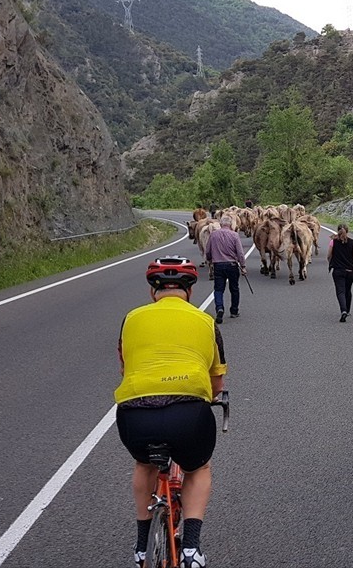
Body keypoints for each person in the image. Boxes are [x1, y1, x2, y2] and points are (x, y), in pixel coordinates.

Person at [116, 256, 227, 568]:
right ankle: (191, 549)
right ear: (189, 292)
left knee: (143, 464)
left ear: (154, 292)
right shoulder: (205, 322)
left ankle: (140, 547)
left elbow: (126, 367)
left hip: (135, 414)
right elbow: (216, 381)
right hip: (188, 414)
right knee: (198, 468)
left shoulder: (131, 319)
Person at [205, 215, 247, 323]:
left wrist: (209, 259)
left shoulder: (213, 235)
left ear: (220, 224)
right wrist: (243, 266)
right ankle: (234, 311)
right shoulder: (234, 235)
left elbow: (208, 251)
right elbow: (240, 253)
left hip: (218, 265)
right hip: (232, 265)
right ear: (230, 224)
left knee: (219, 289)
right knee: (234, 288)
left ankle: (219, 307)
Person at [327, 222, 353, 322]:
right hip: (350, 271)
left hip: (338, 270)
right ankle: (348, 309)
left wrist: (330, 262)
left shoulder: (333, 242)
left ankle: (343, 310)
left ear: (338, 231)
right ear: (347, 231)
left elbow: (329, 255)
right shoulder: (352, 242)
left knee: (340, 291)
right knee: (348, 290)